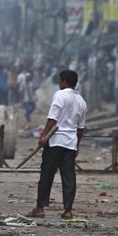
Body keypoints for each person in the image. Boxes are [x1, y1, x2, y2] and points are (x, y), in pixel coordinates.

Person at [27, 70, 87, 220]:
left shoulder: (60, 95)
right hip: (70, 143)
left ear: (64, 82)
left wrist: (43, 135)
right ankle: (68, 210)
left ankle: (40, 208)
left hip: (55, 141)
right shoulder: (81, 101)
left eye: (60, 81)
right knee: (69, 177)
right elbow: (80, 129)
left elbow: (52, 118)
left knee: (47, 174)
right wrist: (77, 145)